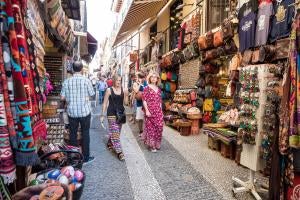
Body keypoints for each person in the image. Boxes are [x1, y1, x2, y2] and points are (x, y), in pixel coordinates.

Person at [61, 61, 95, 163]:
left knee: (73, 134)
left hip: (72, 112)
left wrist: (69, 99)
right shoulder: (87, 81)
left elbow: (62, 97)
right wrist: (84, 98)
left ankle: (74, 157)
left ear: (72, 69)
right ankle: (86, 157)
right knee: (85, 133)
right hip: (85, 112)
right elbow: (92, 94)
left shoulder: (67, 81)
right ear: (81, 69)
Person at [101, 75, 128, 161]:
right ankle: (120, 153)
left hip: (120, 114)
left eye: (120, 80)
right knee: (116, 134)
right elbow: (105, 103)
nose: (118, 82)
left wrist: (126, 95)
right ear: (114, 81)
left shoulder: (123, 90)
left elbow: (126, 103)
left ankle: (110, 142)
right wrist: (102, 115)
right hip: (111, 114)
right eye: (117, 80)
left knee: (116, 133)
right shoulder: (109, 90)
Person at [142, 71, 164, 153]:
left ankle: (157, 143)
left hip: (158, 111)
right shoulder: (146, 88)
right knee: (151, 129)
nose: (154, 78)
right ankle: (152, 146)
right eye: (152, 77)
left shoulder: (158, 89)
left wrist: (161, 111)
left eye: (155, 77)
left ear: (157, 79)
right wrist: (147, 111)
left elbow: (160, 101)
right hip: (150, 111)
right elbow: (144, 100)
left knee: (159, 127)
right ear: (150, 78)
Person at [132, 72, 147, 137]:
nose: (138, 78)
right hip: (139, 104)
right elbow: (136, 91)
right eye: (138, 77)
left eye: (140, 77)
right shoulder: (135, 84)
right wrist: (140, 84)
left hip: (146, 103)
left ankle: (146, 131)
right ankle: (141, 131)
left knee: (146, 119)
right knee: (140, 119)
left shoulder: (146, 83)